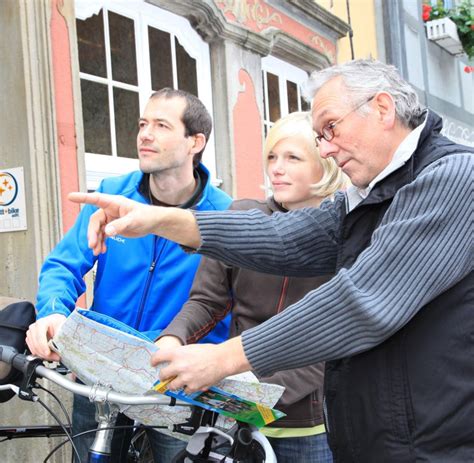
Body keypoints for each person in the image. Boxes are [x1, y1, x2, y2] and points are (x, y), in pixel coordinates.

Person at [68, 59, 473, 462]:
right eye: (319, 138)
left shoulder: (455, 175)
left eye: (331, 128)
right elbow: (285, 237)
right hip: (384, 440)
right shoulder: (373, 192)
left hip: (435, 447)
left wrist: (223, 360)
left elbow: (362, 302)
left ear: (383, 108)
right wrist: (161, 220)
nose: (327, 148)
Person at [26, 88, 232, 462]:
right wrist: (53, 312)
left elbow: (226, 308)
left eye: (161, 125)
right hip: (100, 375)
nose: (144, 134)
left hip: (174, 385)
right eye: (142, 123)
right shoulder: (112, 194)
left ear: (195, 142)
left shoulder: (224, 217)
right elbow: (63, 265)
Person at [156, 111, 347, 462]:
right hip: (238, 416)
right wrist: (173, 339)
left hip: (309, 426)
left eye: (293, 157)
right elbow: (206, 301)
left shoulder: (348, 233)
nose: (276, 168)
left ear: (325, 164)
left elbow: (338, 335)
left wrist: (258, 384)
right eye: (272, 157)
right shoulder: (242, 215)